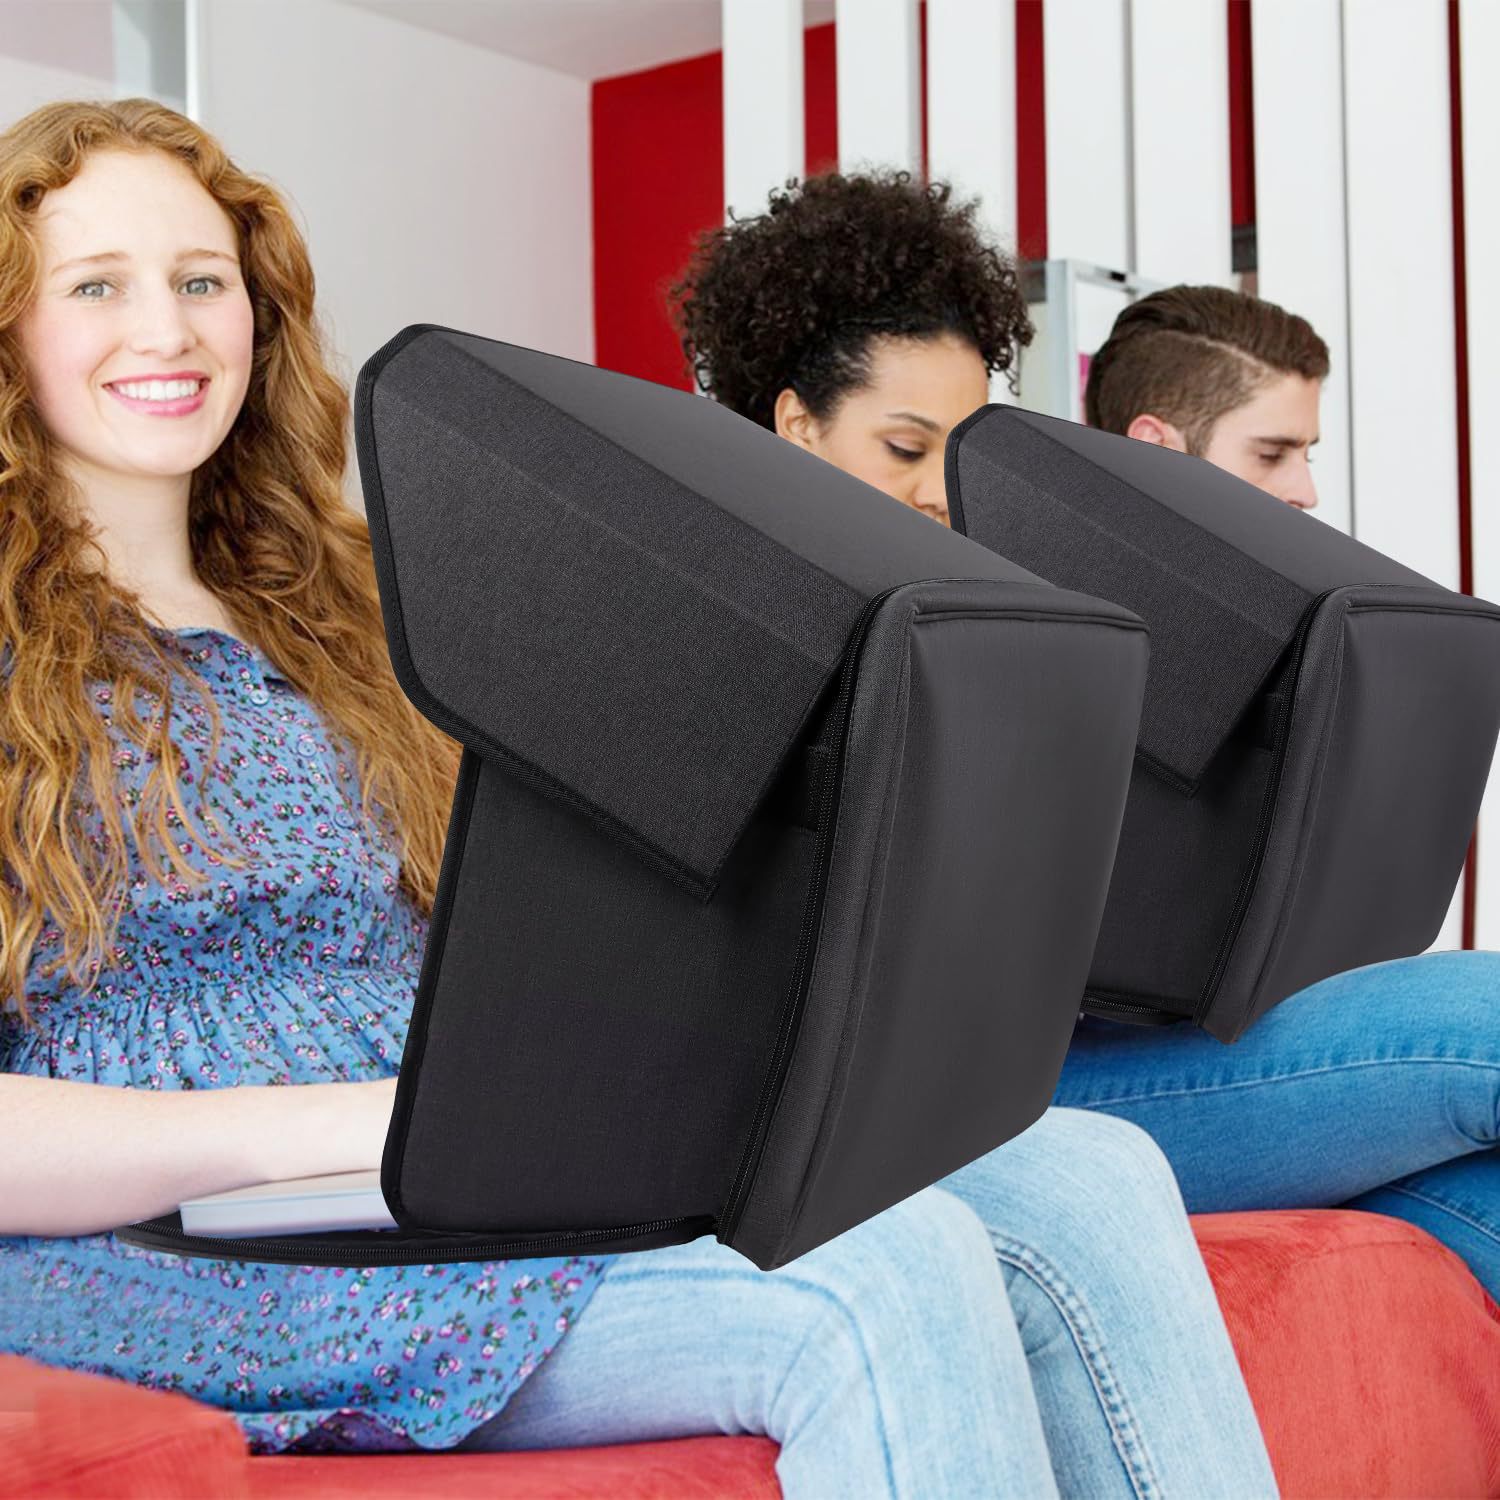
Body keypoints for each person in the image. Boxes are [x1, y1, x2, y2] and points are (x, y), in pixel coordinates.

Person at [0, 101, 1275, 1498]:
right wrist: (320, 1123)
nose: (169, 330)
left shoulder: (348, 610)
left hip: (473, 1139)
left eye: (201, 280)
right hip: (183, 1230)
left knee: (1090, 1174)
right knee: (880, 1280)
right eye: (96, 286)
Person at [674, 185, 1499, 1305]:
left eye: (962, 455)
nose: (938, 492)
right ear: (795, 423)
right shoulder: (720, 635)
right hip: (957, 1105)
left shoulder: (994, 614)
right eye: (905, 446)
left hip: (1079, 1050)